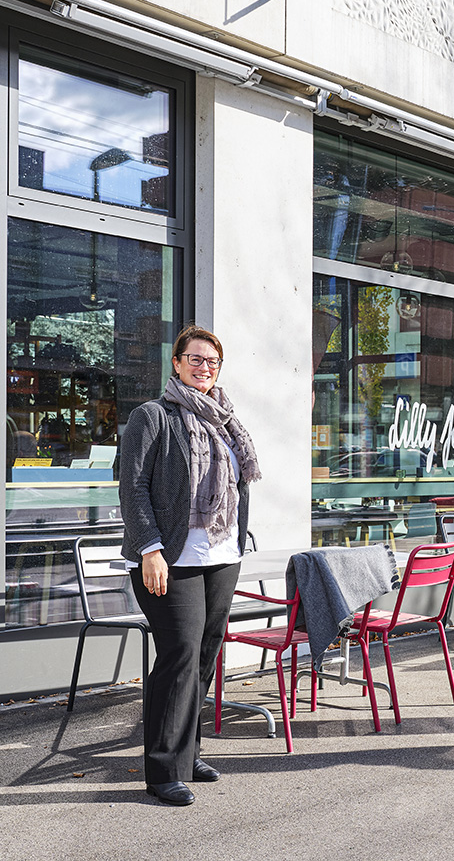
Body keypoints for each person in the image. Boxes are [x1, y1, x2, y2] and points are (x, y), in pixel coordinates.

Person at [119, 325, 261, 805]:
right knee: (178, 656)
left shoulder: (224, 420)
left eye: (213, 362)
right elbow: (134, 487)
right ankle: (162, 770)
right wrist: (149, 549)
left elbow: (238, 487)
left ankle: (187, 752)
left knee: (203, 656)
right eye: (196, 359)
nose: (205, 367)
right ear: (176, 363)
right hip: (171, 557)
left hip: (222, 556)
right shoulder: (152, 417)